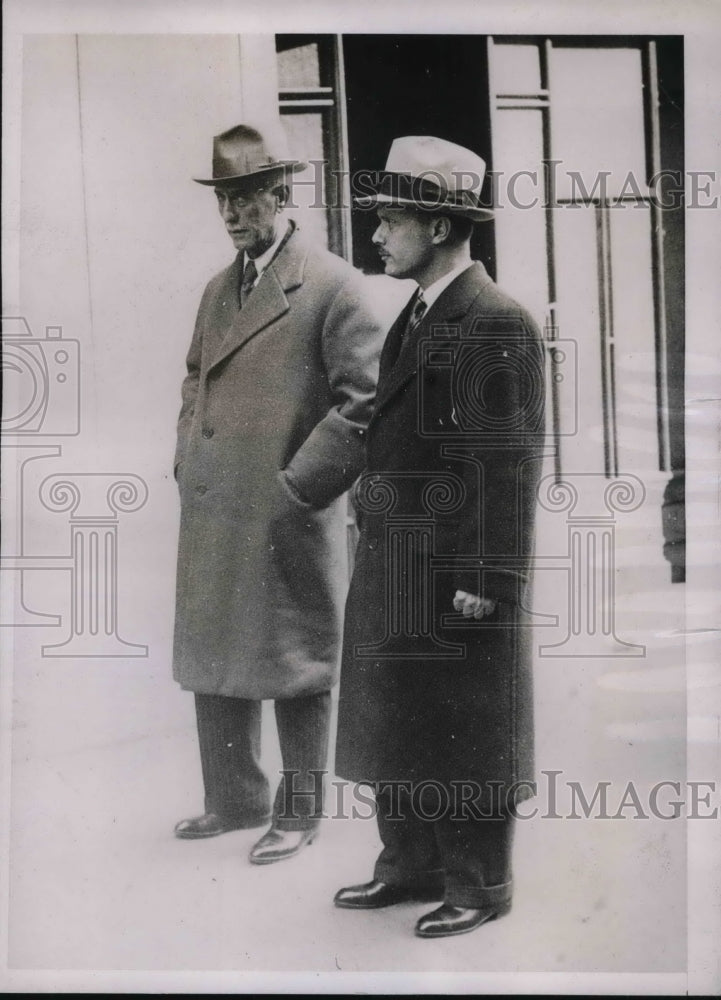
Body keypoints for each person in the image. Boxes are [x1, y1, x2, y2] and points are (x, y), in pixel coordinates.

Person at [334, 136, 546, 936]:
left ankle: (478, 883)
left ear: (441, 225)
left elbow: (508, 464)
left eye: (391, 219)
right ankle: (411, 864)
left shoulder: (494, 322)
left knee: (466, 723)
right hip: (400, 560)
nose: (378, 235)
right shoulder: (418, 315)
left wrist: (487, 578)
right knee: (402, 713)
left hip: (455, 569)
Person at [172, 122, 384, 864]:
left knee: (298, 660)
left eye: (244, 197)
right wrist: (183, 456)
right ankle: (233, 799)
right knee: (216, 653)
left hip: (286, 511)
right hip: (216, 503)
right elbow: (196, 376)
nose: (232, 213)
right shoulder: (216, 288)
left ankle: (297, 813)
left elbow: (364, 401)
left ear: (279, 193)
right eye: (223, 200)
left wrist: (298, 487)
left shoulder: (332, 283)